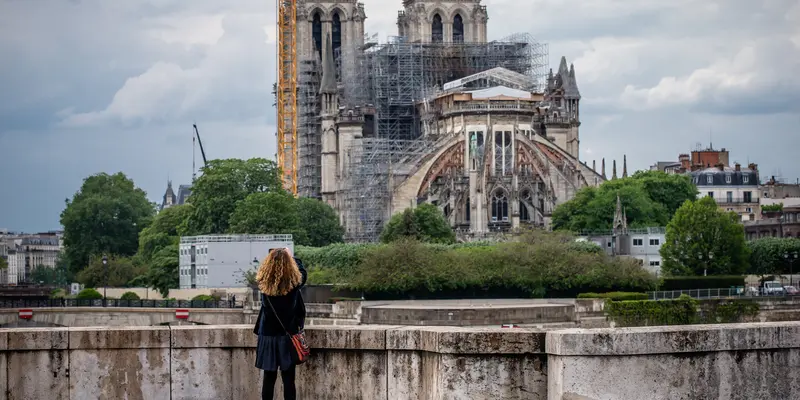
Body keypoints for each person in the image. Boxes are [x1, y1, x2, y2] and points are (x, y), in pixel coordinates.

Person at [253, 248, 307, 400]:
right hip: (287, 336)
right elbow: (303, 274)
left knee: (269, 379)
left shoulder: (264, 284)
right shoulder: (293, 284)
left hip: (268, 336)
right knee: (289, 380)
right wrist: (292, 257)